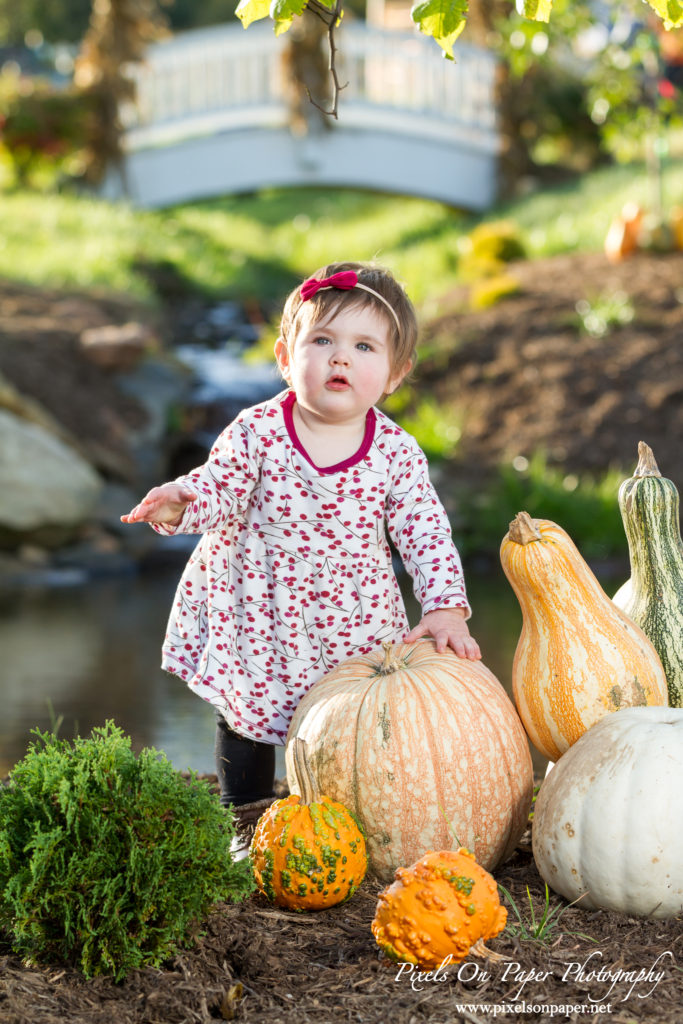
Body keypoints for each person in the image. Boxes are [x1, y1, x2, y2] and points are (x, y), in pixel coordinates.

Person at [121, 261, 480, 811]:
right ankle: (244, 821)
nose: (341, 357)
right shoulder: (256, 431)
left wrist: (446, 607)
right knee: (246, 722)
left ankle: (354, 823)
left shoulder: (396, 452)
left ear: (395, 374)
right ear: (287, 358)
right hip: (261, 609)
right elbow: (220, 486)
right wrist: (181, 502)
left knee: (357, 726)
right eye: (322, 339)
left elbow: (425, 530)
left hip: (353, 619)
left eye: (365, 347)